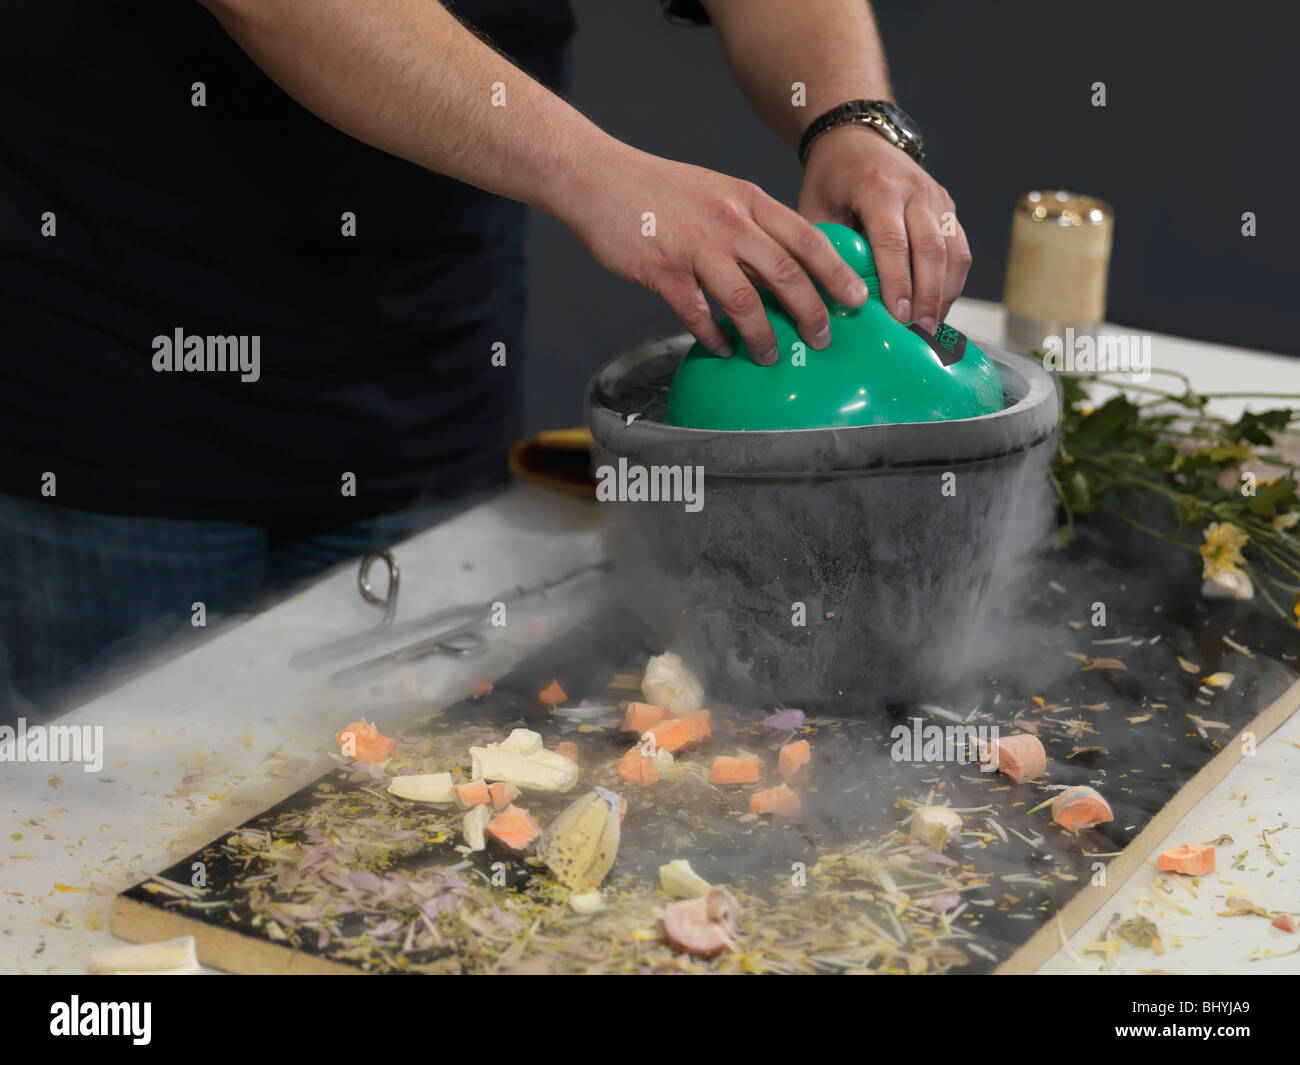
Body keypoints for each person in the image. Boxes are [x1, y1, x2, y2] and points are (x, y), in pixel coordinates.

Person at [0, 0, 971, 718]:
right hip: (118, 373)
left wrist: (847, 118)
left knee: (386, 821)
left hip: (424, 366)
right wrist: (597, 173)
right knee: (114, 862)